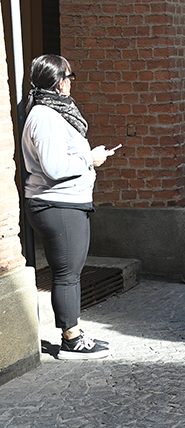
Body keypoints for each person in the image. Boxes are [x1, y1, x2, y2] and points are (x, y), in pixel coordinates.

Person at [21, 55, 118, 359]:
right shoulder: (44, 115)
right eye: (69, 76)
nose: (71, 81)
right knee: (67, 274)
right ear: (59, 82)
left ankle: (73, 331)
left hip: (66, 201)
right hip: (58, 203)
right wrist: (90, 158)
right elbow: (53, 166)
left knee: (70, 272)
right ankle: (71, 340)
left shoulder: (52, 112)